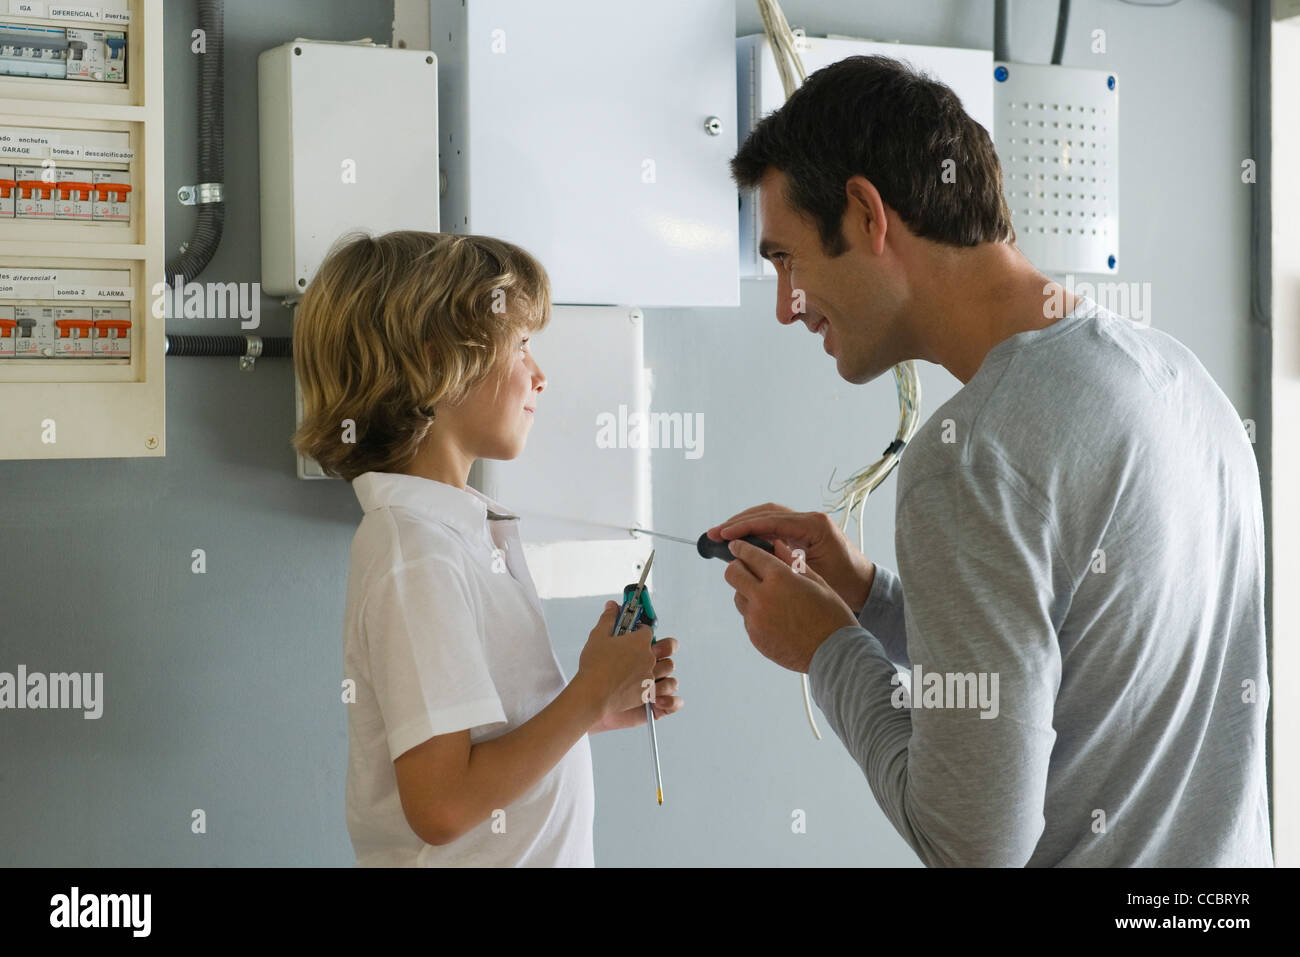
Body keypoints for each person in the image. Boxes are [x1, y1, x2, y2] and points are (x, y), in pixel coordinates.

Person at [711, 55, 1272, 867]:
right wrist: (866, 597)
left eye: (786, 259)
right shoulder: (1178, 377)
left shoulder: (970, 457)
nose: (784, 306)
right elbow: (1074, 655)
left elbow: (972, 845)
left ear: (868, 214)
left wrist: (828, 650)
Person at [292, 230, 681, 866]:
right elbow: (442, 805)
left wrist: (597, 706)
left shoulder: (454, 532)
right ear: (440, 362)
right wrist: (586, 692)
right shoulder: (416, 553)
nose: (540, 375)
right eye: (522, 345)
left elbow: (480, 751)